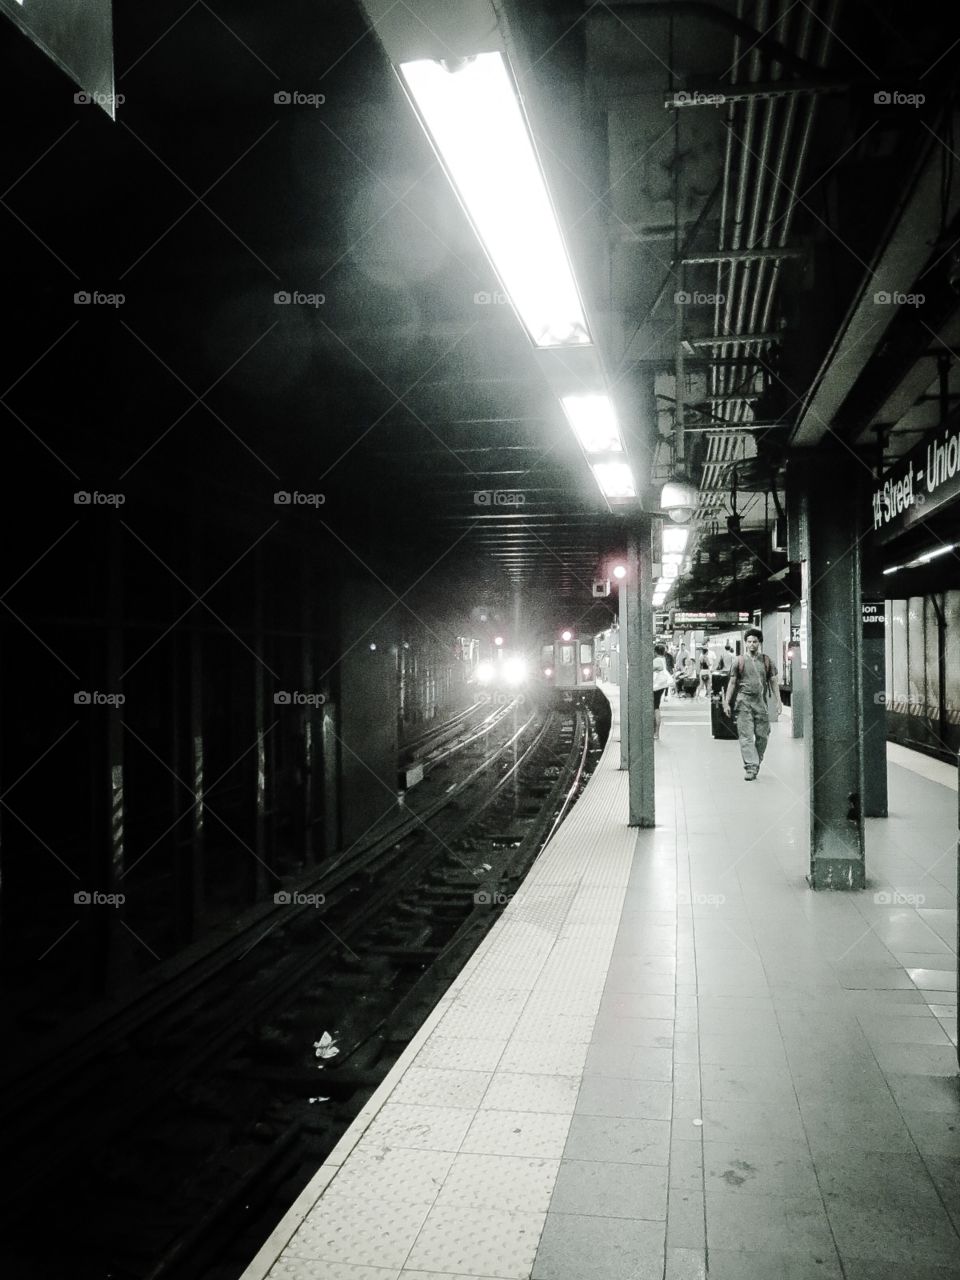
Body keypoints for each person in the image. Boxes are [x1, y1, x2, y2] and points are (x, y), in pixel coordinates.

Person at [721, 628, 783, 780]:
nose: (752, 645)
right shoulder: (739, 661)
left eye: (755, 642)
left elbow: (773, 682)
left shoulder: (767, 661)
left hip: (760, 703)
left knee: (763, 735)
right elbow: (732, 682)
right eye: (749, 642)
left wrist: (778, 701)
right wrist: (726, 702)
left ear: (759, 643)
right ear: (745, 643)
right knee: (746, 736)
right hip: (743, 702)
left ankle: (756, 760)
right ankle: (751, 767)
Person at [652, 642, 672, 738]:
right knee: (656, 706)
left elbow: (648, 669)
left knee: (655, 708)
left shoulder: (657, 660)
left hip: (656, 686)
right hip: (661, 686)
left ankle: (656, 733)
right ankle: (656, 732)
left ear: (655, 652)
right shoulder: (663, 659)